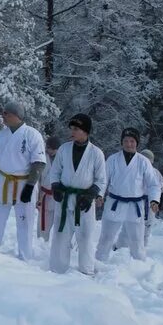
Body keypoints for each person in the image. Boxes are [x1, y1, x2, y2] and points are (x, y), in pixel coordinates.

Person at [0, 101, 46, 260]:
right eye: (3, 113)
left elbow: (38, 163)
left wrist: (30, 186)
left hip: (24, 181)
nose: (3, 116)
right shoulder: (1, 135)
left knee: (25, 221)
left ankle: (25, 256)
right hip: (3, 181)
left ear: (16, 115)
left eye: (6, 113)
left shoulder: (32, 135)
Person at [48, 114, 107, 274]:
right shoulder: (64, 149)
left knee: (86, 237)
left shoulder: (96, 153)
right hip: (65, 198)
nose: (72, 132)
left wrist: (91, 195)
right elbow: (55, 172)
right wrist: (56, 186)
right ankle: (57, 269)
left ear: (85, 131)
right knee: (61, 235)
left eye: (76, 129)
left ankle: (86, 270)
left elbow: (101, 179)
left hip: (84, 201)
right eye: (71, 128)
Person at [95, 128, 161, 262]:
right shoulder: (113, 159)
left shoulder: (143, 162)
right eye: (126, 141)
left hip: (135, 206)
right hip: (115, 203)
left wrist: (154, 200)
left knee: (137, 241)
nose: (129, 144)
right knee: (106, 237)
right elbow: (103, 179)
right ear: (121, 142)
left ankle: (140, 267)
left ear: (136, 143)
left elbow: (153, 184)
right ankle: (98, 263)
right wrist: (99, 195)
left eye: (132, 141)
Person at [37, 136, 61, 241]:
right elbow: (38, 179)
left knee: (60, 223)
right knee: (43, 223)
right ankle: (41, 242)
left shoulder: (63, 159)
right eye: (49, 148)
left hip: (58, 196)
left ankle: (61, 245)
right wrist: (37, 196)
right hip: (44, 195)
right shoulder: (42, 158)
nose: (50, 151)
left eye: (53, 149)